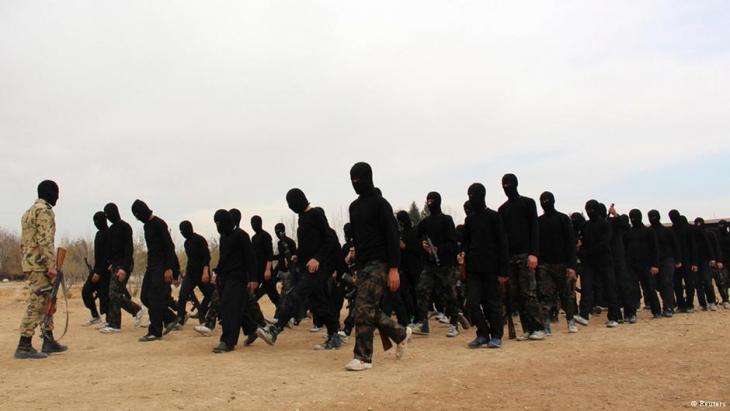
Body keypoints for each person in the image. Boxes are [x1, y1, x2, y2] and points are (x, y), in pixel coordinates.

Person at [344, 162, 411, 371]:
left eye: (359, 179)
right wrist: (355, 264)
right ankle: (400, 333)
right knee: (365, 308)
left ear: (369, 177)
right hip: (363, 264)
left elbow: (392, 237)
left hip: (381, 262)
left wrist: (393, 268)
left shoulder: (381, 204)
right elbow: (358, 238)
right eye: (352, 180)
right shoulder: (353, 207)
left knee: (363, 307)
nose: (356, 183)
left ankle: (363, 357)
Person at [257, 189, 342, 350]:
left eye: (291, 203)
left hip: (320, 267)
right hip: (306, 268)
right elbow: (308, 244)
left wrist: (317, 258)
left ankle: (275, 330)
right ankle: (334, 335)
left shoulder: (316, 214)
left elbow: (329, 239)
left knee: (296, 295)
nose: (290, 207)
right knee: (319, 303)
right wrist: (298, 256)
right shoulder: (302, 219)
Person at [15, 180, 67, 359]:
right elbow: (45, 241)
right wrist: (51, 267)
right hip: (40, 265)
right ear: (49, 193)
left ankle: (48, 339)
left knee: (48, 301)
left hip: (32, 263)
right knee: (38, 302)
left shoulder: (28, 212)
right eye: (56, 192)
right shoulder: (44, 211)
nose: (58, 197)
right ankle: (24, 344)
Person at [497, 174, 544, 340]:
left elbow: (534, 230)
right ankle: (527, 329)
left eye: (509, 184)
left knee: (529, 292)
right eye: (504, 185)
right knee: (515, 294)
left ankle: (538, 327)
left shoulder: (528, 203)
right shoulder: (502, 209)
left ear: (516, 184)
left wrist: (534, 254)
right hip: (510, 258)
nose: (506, 187)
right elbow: (502, 238)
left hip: (526, 255)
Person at [462, 183, 508, 348]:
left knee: (492, 303)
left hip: (491, 268)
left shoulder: (494, 217)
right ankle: (482, 333)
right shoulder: (470, 219)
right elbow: (466, 244)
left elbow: (503, 244)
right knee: (473, 302)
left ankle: (496, 335)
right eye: (469, 195)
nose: (471, 198)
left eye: (473, 195)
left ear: (482, 195)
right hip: (474, 269)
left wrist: (503, 271)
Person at [409, 191, 461, 338]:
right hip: (429, 265)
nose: (430, 203)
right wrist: (423, 244)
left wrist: (439, 249)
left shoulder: (446, 220)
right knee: (421, 290)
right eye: (428, 200)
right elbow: (416, 237)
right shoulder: (425, 223)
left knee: (449, 295)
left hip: (446, 265)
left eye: (432, 200)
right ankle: (423, 324)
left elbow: (453, 244)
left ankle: (454, 324)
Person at [210, 209, 259, 353]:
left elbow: (251, 258)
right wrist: (217, 273)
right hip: (224, 278)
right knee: (239, 308)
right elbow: (223, 257)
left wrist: (254, 278)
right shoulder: (223, 238)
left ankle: (227, 341)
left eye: (219, 223)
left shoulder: (242, 235)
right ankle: (252, 330)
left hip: (238, 277)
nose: (218, 226)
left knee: (227, 308)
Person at [131, 200, 179, 341]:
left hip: (161, 266)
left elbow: (169, 247)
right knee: (145, 297)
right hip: (151, 266)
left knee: (154, 297)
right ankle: (170, 318)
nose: (138, 218)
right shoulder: (147, 226)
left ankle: (155, 331)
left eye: (138, 215)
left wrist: (170, 269)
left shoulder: (159, 224)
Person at [536, 192, 578, 335]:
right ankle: (546, 325)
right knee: (545, 295)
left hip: (562, 263)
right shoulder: (538, 221)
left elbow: (571, 243)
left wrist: (572, 266)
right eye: (542, 201)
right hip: (544, 265)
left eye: (546, 200)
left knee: (566, 294)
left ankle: (570, 321)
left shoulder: (563, 219)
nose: (544, 203)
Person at [100, 202, 146, 333]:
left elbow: (128, 249)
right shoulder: (111, 230)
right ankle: (136, 310)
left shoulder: (125, 227)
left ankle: (115, 325)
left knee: (114, 293)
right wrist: (111, 264)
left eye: (109, 214)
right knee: (114, 293)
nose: (108, 217)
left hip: (125, 265)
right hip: (116, 265)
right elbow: (112, 250)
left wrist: (124, 268)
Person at [577, 200, 621, 328]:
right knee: (587, 287)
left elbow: (604, 244)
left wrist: (585, 252)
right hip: (589, 262)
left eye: (591, 209)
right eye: (587, 210)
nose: (590, 212)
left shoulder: (605, 225)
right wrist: (580, 249)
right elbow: (583, 241)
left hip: (604, 261)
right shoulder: (586, 225)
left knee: (610, 288)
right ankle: (584, 314)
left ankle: (614, 317)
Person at [625, 209, 661, 319]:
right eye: (631, 217)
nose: (633, 219)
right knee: (632, 290)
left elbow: (655, 249)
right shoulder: (628, 233)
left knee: (650, 288)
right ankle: (631, 314)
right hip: (631, 266)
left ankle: (656, 311)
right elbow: (625, 249)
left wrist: (655, 265)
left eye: (635, 217)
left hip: (646, 265)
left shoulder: (649, 231)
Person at [176, 221, 214, 326]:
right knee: (182, 295)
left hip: (202, 274)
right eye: (181, 231)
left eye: (183, 230)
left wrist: (205, 272)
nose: (182, 233)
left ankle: (203, 314)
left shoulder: (200, 240)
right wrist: (185, 273)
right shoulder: (186, 243)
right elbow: (190, 259)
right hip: (191, 275)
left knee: (210, 295)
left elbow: (207, 257)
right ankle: (180, 319)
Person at [648, 210, 680, 317]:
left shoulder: (667, 231)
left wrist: (678, 260)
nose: (652, 219)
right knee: (658, 286)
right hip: (653, 262)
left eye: (654, 217)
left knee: (666, 283)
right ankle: (670, 304)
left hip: (667, 260)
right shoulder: (648, 232)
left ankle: (668, 307)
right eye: (650, 217)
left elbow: (675, 246)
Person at [81, 211, 111, 327]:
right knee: (86, 291)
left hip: (105, 272)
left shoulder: (109, 234)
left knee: (105, 296)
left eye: (97, 221)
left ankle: (109, 321)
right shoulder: (98, 234)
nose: (96, 223)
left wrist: (98, 272)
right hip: (96, 269)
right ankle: (95, 315)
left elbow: (106, 255)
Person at [669, 210, 697, 313]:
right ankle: (681, 304)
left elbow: (693, 246)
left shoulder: (688, 229)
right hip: (677, 261)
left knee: (689, 284)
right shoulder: (671, 230)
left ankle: (689, 304)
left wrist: (694, 263)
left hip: (687, 260)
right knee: (677, 285)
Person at [251, 216, 279, 308]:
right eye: (252, 223)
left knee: (273, 295)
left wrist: (268, 269)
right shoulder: (253, 238)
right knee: (251, 295)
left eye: (255, 223)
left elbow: (269, 254)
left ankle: (285, 316)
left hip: (266, 270)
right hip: (256, 271)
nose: (253, 225)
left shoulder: (266, 236)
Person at [693, 218, 718, 311]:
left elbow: (711, 247)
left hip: (706, 261)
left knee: (708, 282)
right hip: (695, 262)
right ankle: (702, 304)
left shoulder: (708, 234)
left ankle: (711, 302)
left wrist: (712, 258)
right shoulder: (693, 235)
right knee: (698, 283)